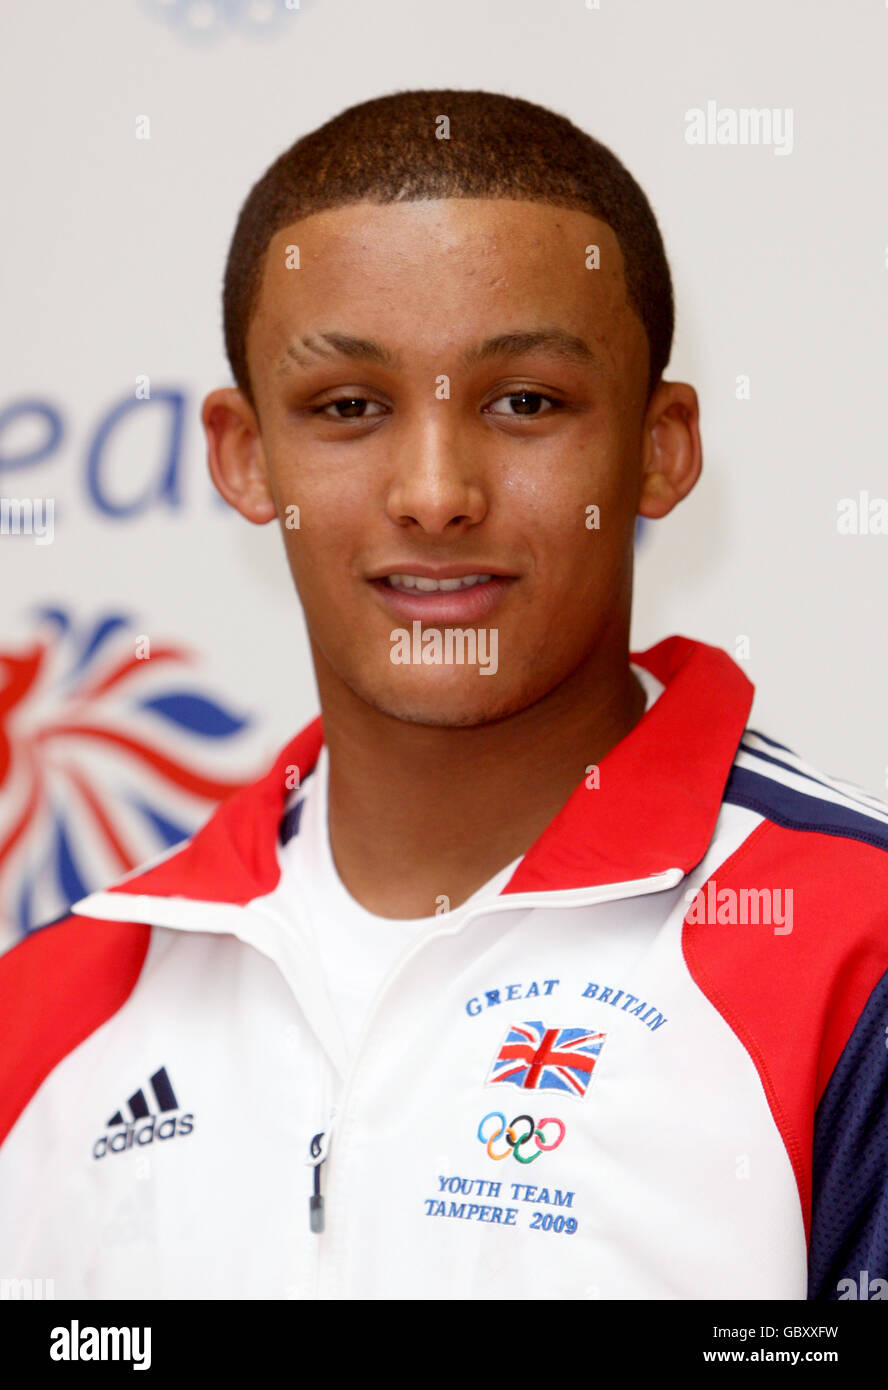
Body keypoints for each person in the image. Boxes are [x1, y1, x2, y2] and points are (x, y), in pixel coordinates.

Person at [1, 89, 886, 1302]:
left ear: (660, 447)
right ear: (245, 456)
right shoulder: (47, 1005)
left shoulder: (858, 952)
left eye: (525, 400)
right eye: (349, 408)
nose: (433, 492)